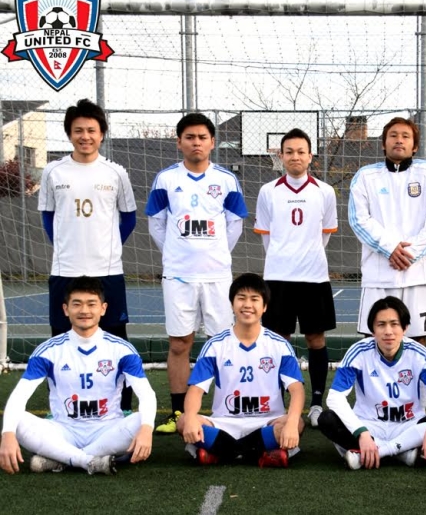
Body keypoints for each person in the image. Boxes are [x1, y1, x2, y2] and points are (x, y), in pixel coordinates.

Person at [146, 113, 248, 434]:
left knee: (222, 345)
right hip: (178, 276)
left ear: (212, 142)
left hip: (217, 276)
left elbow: (234, 224)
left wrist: (214, 254)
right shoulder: (165, 179)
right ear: (179, 142)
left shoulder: (226, 180)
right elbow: (156, 224)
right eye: (189, 137)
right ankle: (179, 414)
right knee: (180, 343)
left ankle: (224, 411)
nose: (196, 143)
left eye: (202, 137)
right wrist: (177, 254)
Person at [38, 98, 137, 414]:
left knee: (116, 340)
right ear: (69, 134)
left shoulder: (116, 172)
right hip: (65, 270)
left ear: (102, 134)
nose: (85, 136)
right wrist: (63, 245)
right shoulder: (53, 171)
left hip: (107, 271)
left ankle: (121, 409)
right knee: (60, 341)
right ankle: (61, 409)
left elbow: (129, 218)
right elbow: (47, 216)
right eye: (78, 130)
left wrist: (110, 247)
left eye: (91, 130)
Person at [0, 277, 156, 476]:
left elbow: (146, 394)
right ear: (66, 309)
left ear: (103, 309)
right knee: (18, 422)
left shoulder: (122, 349)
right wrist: (7, 434)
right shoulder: (48, 351)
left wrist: (146, 429)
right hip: (64, 430)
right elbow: (20, 395)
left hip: (108, 429)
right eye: (77, 304)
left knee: (143, 420)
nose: (84, 310)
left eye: (91, 304)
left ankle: (63, 458)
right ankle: (89, 461)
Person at [254, 128, 337, 428]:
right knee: (279, 342)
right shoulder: (268, 191)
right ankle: (278, 403)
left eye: (301, 151)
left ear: (311, 155)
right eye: (289, 151)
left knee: (316, 339)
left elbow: (325, 235)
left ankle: (315, 403)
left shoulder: (325, 192)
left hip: (314, 277)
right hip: (278, 278)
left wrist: (306, 255)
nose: (295, 157)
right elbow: (266, 236)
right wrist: (284, 257)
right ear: (281, 155)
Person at [177, 273, 304, 467]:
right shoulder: (215, 345)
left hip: (267, 422)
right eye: (241, 298)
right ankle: (259, 453)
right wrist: (192, 419)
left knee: (297, 423)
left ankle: (220, 452)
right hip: (223, 424)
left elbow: (297, 390)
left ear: (265, 306)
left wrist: (292, 423)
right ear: (232, 304)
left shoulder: (279, 345)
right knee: (184, 421)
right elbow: (195, 390)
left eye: (254, 299)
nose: (247, 305)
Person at [317, 296, 426, 470]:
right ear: (372, 330)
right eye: (381, 325)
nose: (388, 331)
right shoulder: (358, 352)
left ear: (405, 328)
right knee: (327, 419)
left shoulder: (419, 353)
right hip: (369, 425)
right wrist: (361, 432)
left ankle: (378, 452)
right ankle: (403, 453)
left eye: (394, 324)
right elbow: (335, 398)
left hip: (409, 426)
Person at [348, 117, 426, 346]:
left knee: (417, 338)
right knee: (374, 338)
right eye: (393, 135)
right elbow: (358, 220)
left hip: (417, 272)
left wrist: (409, 253)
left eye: (405, 136)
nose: (399, 140)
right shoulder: (365, 176)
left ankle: (418, 373)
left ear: (415, 146)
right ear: (383, 144)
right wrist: (390, 248)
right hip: (379, 273)